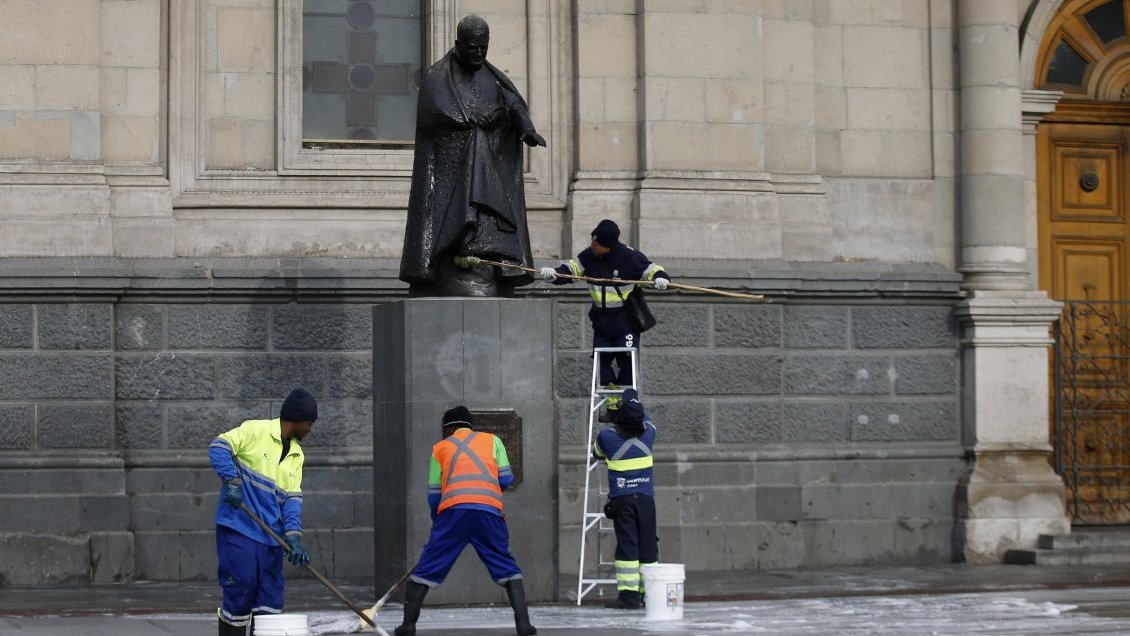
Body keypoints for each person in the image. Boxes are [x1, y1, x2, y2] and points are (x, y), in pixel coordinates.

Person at [399, 14, 547, 298]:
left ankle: (492, 264)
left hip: (488, 164)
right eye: (472, 47)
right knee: (455, 216)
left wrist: (525, 128)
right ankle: (448, 261)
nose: (478, 53)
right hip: (449, 169)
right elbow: (431, 114)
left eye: (483, 47)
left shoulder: (494, 77)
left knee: (486, 219)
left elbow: (513, 102)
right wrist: (470, 121)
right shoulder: (437, 76)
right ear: (458, 44)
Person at [396, 406, 536, 636]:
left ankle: (408, 625)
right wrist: (487, 490)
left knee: (428, 565)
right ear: (470, 425)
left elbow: (433, 494)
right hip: (489, 513)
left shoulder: (440, 449)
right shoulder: (493, 441)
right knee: (505, 565)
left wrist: (437, 521)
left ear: (449, 428)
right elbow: (507, 478)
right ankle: (523, 625)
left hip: (453, 515)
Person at [208, 387, 317, 636]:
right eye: (309, 423)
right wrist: (232, 482)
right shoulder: (255, 431)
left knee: (270, 602)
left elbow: (291, 499)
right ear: (297, 419)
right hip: (239, 529)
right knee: (240, 591)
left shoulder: (297, 455)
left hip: (271, 539)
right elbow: (219, 447)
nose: (310, 429)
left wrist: (293, 537)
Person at [541, 219, 670, 420]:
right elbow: (572, 269)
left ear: (608, 246)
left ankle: (626, 406)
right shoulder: (589, 256)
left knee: (626, 360)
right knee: (602, 362)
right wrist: (553, 275)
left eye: (596, 244)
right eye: (592, 242)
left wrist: (661, 278)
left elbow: (652, 269)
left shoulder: (630, 257)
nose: (592, 246)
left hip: (625, 322)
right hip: (601, 322)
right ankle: (611, 405)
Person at [592, 388, 658, 609]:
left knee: (628, 546)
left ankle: (628, 597)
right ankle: (648, 593)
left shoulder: (607, 437)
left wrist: (623, 405)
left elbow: (598, 454)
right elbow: (646, 419)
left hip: (623, 501)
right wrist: (632, 400)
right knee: (648, 546)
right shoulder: (649, 434)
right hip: (646, 501)